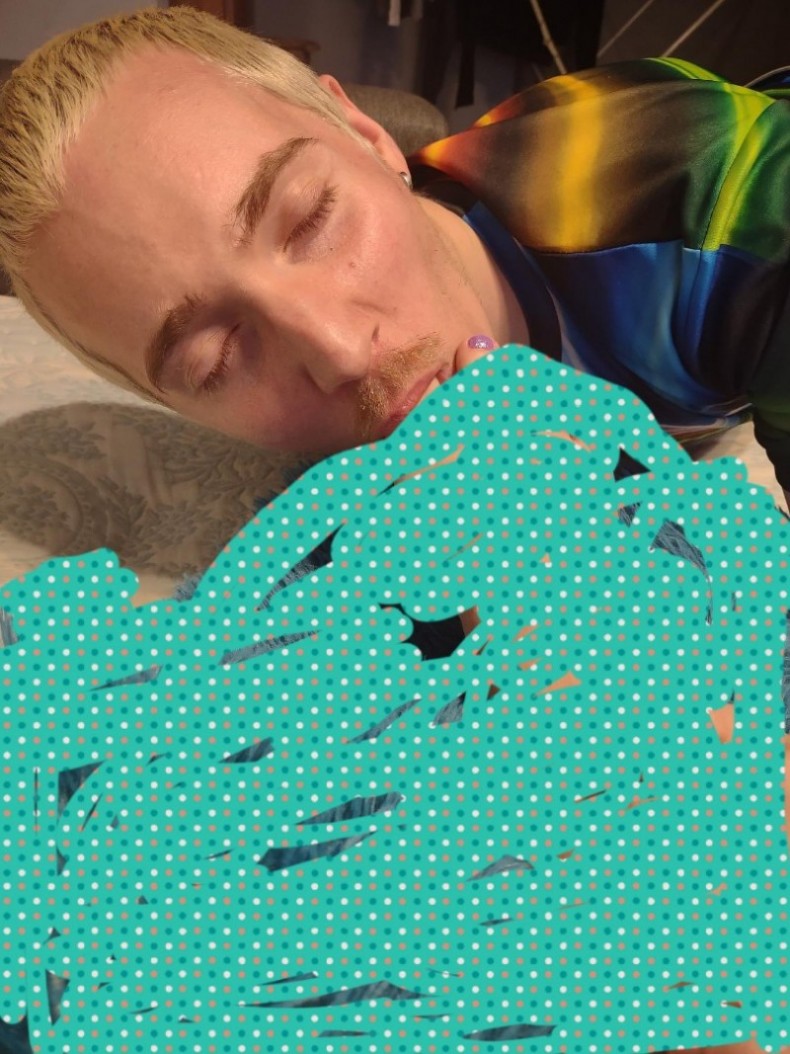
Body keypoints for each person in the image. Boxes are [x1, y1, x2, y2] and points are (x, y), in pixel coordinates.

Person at [0, 7, 787, 500]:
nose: (340, 353)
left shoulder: (726, 207)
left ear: (370, 139)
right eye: (217, 360)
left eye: (310, 223)